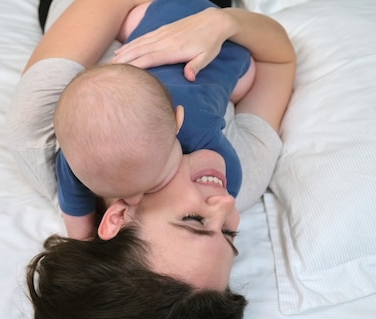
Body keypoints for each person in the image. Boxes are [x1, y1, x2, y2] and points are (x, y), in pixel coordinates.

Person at [6, 0, 295, 319]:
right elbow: (279, 58)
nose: (224, 204)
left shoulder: (42, 136)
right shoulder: (241, 176)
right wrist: (221, 22)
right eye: (229, 234)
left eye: (194, 221)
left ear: (119, 216)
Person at [54, 0, 256, 239]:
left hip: (226, 48)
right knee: (130, 26)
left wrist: (226, 209)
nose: (135, 199)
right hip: (158, 10)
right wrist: (81, 239)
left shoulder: (198, 127)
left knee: (244, 81)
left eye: (151, 185)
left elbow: (229, 172)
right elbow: (71, 192)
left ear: (177, 121)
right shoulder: (76, 156)